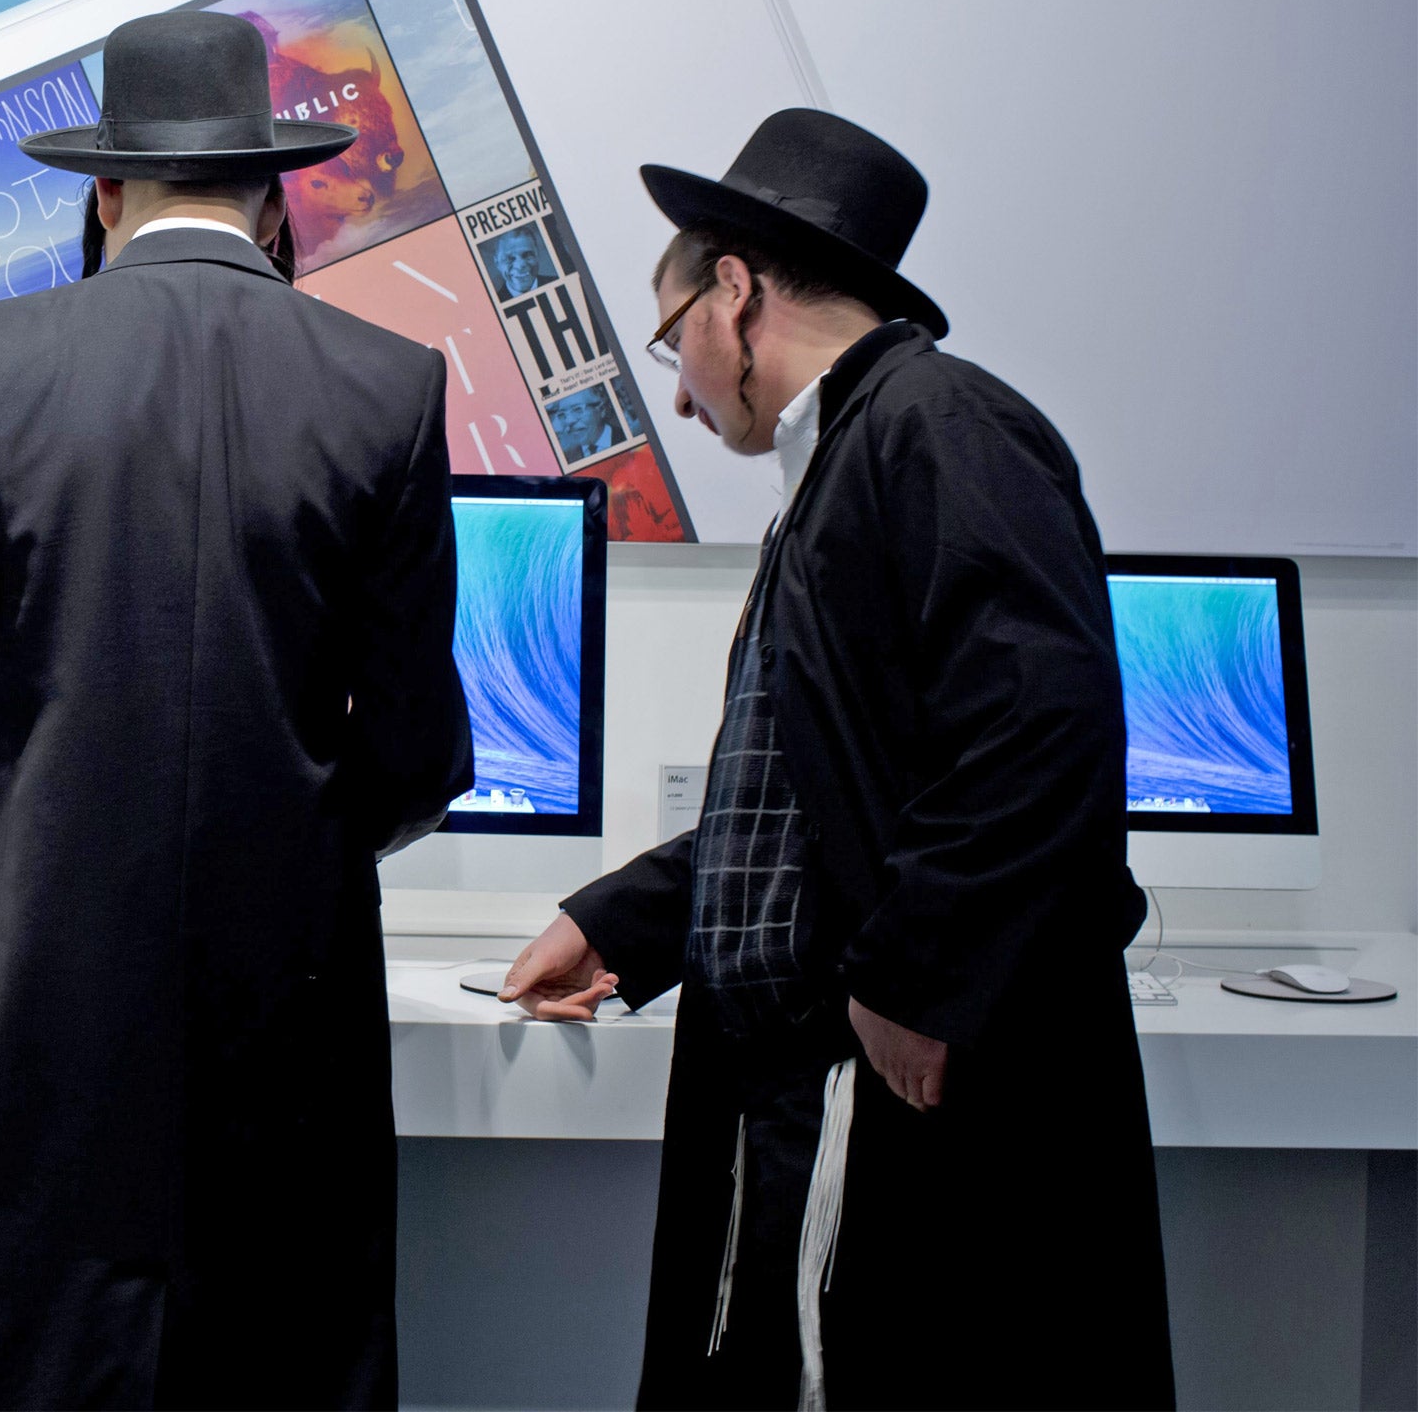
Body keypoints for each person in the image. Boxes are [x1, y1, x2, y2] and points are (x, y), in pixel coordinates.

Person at [501, 109, 1174, 1410]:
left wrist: (920, 978)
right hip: (817, 1080)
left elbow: (1046, 730)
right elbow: (808, 793)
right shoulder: (861, 456)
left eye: (672, 338)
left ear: (736, 291)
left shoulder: (943, 429)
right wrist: (623, 923)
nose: (682, 391)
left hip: (924, 1099)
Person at [0, 12, 473, 1411]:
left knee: (17, 1356)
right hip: (291, 991)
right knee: (279, 1359)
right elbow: (421, 751)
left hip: (38, 997)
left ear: (104, 194)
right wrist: (302, 835)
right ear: (274, 200)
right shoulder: (389, 385)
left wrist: (35, 812)